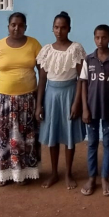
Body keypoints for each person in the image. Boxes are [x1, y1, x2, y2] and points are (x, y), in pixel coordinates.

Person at [0, 12, 43, 186]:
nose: (16, 28)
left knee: (25, 138)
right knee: (3, 137)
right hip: (3, 101)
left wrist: (40, 98)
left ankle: (23, 173)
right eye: (13, 25)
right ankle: (4, 173)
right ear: (8, 26)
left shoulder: (34, 44)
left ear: (26, 27)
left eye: (20, 25)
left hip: (27, 100)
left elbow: (42, 72)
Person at [36, 11, 87, 189]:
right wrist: (38, 105)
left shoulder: (76, 49)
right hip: (51, 96)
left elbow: (82, 78)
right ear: (52, 29)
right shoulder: (46, 50)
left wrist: (77, 102)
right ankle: (54, 173)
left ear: (69, 29)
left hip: (70, 94)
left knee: (69, 134)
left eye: (63, 27)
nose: (59, 31)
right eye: (56, 27)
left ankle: (69, 173)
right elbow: (42, 79)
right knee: (53, 134)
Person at [80, 24, 109, 197]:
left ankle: (105, 178)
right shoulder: (89, 60)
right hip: (91, 109)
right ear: (94, 38)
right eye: (97, 37)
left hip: (108, 110)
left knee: (107, 144)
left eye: (104, 37)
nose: (100, 41)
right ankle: (92, 177)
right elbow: (83, 83)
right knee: (91, 143)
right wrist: (84, 108)